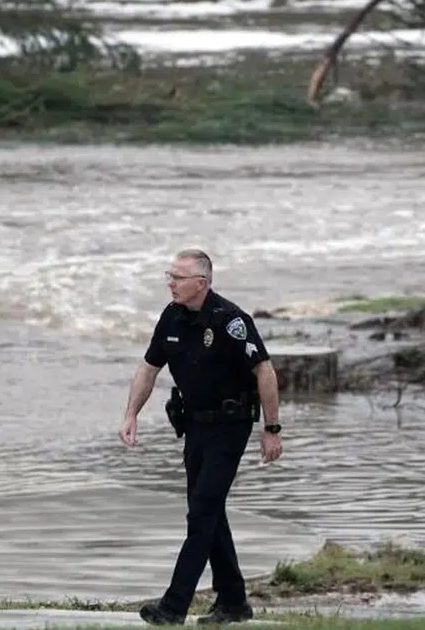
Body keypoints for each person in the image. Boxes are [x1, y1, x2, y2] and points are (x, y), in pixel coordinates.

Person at [120, 248, 283, 626]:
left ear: (201, 283)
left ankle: (174, 606)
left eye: (177, 277)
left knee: (202, 512)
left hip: (231, 425)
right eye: (169, 275)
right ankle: (233, 601)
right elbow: (148, 368)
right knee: (209, 511)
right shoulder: (171, 316)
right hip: (194, 425)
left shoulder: (231, 320)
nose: (170, 283)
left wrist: (271, 429)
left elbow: (265, 372)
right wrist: (131, 414)